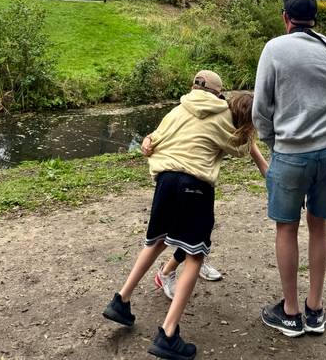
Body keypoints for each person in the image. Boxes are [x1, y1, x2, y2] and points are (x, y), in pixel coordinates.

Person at [103, 71, 267, 360]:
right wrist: (249, 134)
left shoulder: (176, 111)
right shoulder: (221, 116)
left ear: (193, 87)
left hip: (165, 181)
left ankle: (121, 300)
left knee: (155, 242)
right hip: (194, 185)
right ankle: (168, 334)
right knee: (195, 256)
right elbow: (239, 149)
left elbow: (151, 142)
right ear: (218, 94)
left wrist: (146, 142)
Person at [252, 0, 326, 338]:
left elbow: (260, 109)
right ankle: (316, 309)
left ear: (285, 18)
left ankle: (291, 314)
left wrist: (276, 143)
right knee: (319, 224)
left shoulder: (275, 49)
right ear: (314, 19)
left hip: (291, 152)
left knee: (287, 227)